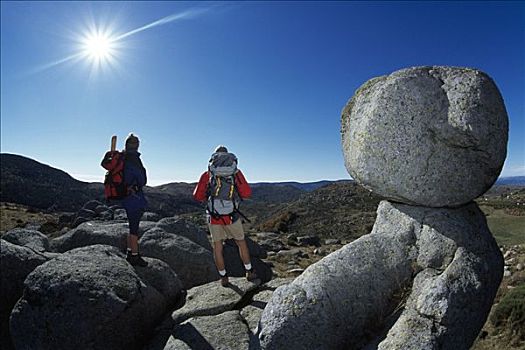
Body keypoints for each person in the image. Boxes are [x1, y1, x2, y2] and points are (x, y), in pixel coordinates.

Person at [193, 145, 258, 286]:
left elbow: (197, 196)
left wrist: (209, 197)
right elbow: (246, 193)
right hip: (231, 215)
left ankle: (223, 277)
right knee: (241, 243)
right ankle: (249, 271)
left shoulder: (208, 174)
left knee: (217, 246)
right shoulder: (235, 172)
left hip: (214, 216)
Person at [122, 133, 148, 267]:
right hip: (134, 197)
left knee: (132, 225)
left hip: (125, 196)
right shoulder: (133, 159)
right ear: (136, 145)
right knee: (134, 227)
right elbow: (142, 180)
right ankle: (134, 256)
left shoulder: (123, 157)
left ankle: (129, 251)